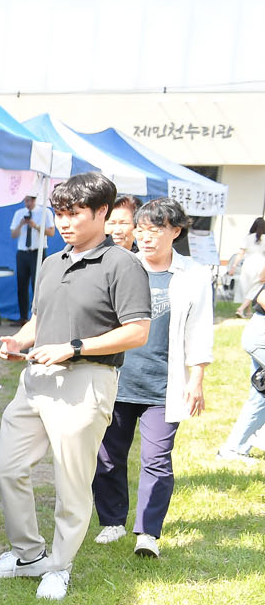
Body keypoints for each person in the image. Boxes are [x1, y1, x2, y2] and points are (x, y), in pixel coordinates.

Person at [0, 172, 151, 601]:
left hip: (87, 379)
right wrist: (19, 341)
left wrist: (74, 348)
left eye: (74, 213)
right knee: (7, 467)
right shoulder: (51, 262)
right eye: (59, 213)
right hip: (36, 379)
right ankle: (28, 555)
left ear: (102, 212)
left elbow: (136, 331)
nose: (64, 222)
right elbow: (40, 318)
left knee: (71, 481)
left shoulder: (123, 264)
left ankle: (59, 566)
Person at [90, 197, 213, 558]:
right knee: (108, 456)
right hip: (119, 379)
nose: (145, 237)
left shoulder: (193, 274)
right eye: (141, 229)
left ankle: (147, 532)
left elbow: (200, 329)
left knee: (157, 459)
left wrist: (197, 379)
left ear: (175, 231)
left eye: (155, 230)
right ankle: (112, 521)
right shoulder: (123, 266)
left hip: (163, 385)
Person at [217, 239, 265, 461]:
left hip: (257, 333)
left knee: (260, 394)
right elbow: (262, 297)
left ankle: (235, 447)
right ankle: (235, 447)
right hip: (261, 336)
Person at [10, 194, 56, 323]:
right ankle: (23, 317)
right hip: (22, 252)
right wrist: (21, 224)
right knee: (21, 285)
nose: (28, 203)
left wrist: (35, 226)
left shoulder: (45, 212)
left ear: (36, 200)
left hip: (37, 252)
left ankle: (38, 317)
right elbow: (13, 234)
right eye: (26, 200)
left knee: (38, 285)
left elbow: (51, 232)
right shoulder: (19, 213)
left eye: (30, 200)